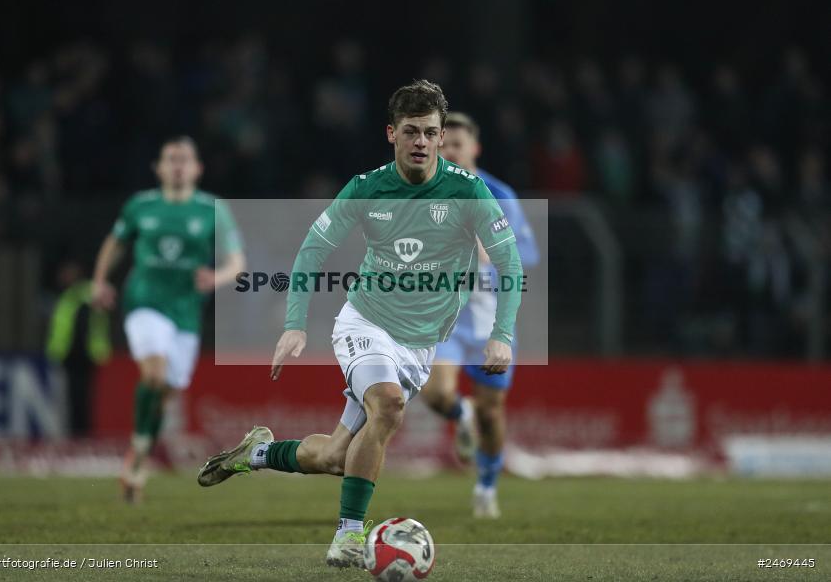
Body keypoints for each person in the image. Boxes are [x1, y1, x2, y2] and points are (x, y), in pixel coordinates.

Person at [197, 81, 523, 568]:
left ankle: (257, 453)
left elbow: (510, 262)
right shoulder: (367, 188)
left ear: (439, 138)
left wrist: (501, 334)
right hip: (365, 323)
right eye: (410, 131)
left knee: (332, 456)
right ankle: (349, 536)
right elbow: (313, 250)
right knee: (387, 406)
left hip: (419, 347)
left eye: (430, 133)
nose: (420, 142)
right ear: (391, 133)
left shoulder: (468, 191)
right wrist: (295, 324)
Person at [92, 136, 246, 503]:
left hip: (186, 313)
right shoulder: (140, 206)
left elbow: (237, 263)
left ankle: (138, 456)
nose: (177, 165)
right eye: (171, 159)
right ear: (159, 168)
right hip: (145, 301)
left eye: (184, 159)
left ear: (197, 169)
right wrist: (100, 281)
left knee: (165, 391)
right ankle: (137, 459)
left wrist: (216, 278)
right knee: (155, 374)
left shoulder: (212, 209)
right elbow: (115, 243)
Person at [420, 112, 540, 518]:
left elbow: (528, 255)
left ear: (474, 148)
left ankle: (487, 487)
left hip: (489, 321)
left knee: (492, 411)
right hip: (444, 321)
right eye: (444, 144)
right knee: (435, 394)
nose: (450, 151)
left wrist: (492, 252)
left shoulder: (499, 194)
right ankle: (460, 412)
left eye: (457, 145)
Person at [46, 259, 113, 437]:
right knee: (71, 399)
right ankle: (74, 434)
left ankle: (81, 435)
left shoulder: (84, 294)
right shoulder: (68, 296)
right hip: (69, 356)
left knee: (82, 399)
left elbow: (98, 321)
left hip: (84, 356)